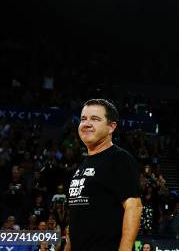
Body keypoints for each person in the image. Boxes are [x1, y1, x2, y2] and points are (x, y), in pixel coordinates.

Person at [65, 99, 142, 251]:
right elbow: (77, 217)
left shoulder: (119, 158)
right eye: (83, 119)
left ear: (111, 127)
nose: (86, 123)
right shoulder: (82, 165)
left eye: (95, 119)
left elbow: (134, 207)